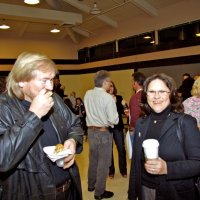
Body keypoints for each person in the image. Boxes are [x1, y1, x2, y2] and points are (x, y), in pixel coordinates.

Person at [0, 52, 83, 200]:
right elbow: (3, 159)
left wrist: (72, 141)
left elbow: (75, 123)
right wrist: (34, 115)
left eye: (52, 80)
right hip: (31, 193)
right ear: (21, 81)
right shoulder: (3, 107)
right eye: (44, 80)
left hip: (68, 189)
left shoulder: (54, 99)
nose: (50, 86)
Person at [128, 73, 200, 200]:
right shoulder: (141, 123)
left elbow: (197, 163)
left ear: (171, 93)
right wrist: (132, 194)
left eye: (162, 91)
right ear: (146, 95)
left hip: (175, 193)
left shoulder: (185, 122)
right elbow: (135, 164)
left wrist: (167, 168)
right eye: (151, 91)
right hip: (145, 190)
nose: (156, 96)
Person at [84, 70, 119, 200]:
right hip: (103, 133)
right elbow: (113, 120)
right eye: (109, 82)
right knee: (104, 163)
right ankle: (99, 192)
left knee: (93, 160)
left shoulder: (88, 93)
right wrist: (114, 103)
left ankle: (91, 185)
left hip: (91, 131)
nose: (110, 85)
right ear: (104, 82)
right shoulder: (107, 98)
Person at [108, 81, 127, 178]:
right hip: (107, 127)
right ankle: (111, 171)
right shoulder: (104, 98)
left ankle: (123, 171)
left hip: (118, 127)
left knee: (121, 149)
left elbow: (125, 112)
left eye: (112, 86)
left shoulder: (119, 98)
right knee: (108, 151)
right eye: (109, 86)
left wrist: (124, 105)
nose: (110, 88)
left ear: (114, 87)